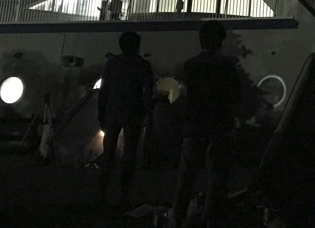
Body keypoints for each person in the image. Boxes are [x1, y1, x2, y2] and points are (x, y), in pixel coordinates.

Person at [168, 21, 241, 228]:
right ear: (221, 42)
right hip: (219, 125)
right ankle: (211, 218)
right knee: (216, 174)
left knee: (187, 174)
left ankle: (178, 217)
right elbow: (236, 97)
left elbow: (180, 97)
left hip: (194, 125)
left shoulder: (190, 66)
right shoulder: (227, 67)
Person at [97, 31, 154, 207]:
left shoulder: (112, 64)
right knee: (130, 153)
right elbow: (148, 91)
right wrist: (146, 112)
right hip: (133, 113)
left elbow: (104, 90)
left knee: (108, 153)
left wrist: (101, 113)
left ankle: (102, 193)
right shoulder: (143, 65)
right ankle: (124, 193)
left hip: (113, 112)